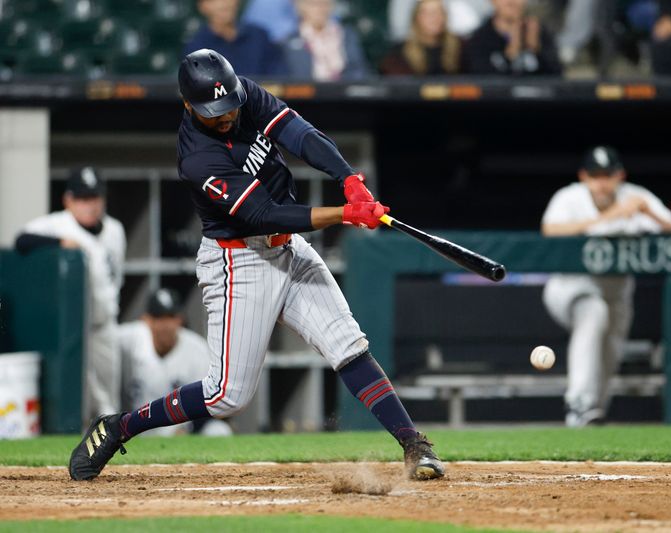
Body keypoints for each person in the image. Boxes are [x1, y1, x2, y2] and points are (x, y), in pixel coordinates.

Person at [68, 48, 444, 482]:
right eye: (214, 112)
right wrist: (344, 214)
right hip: (238, 260)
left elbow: (300, 134)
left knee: (348, 345)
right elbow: (265, 214)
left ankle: (415, 446)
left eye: (229, 106)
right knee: (227, 396)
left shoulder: (241, 93)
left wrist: (349, 180)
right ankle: (119, 427)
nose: (226, 116)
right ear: (188, 105)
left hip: (289, 250)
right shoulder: (197, 159)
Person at [540, 146, 671, 427]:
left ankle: (591, 413)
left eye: (608, 175)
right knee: (594, 314)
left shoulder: (636, 197)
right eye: (595, 175)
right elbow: (550, 230)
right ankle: (579, 404)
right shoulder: (570, 197)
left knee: (611, 352)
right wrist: (613, 215)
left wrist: (651, 215)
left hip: (617, 291)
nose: (602, 182)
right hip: (570, 286)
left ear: (620, 175)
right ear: (584, 176)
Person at [15, 167, 126, 426]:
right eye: (83, 199)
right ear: (68, 200)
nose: (90, 205)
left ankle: (113, 448)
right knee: (81, 400)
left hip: (105, 324)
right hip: (75, 329)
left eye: (94, 198)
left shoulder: (115, 230)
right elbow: (22, 240)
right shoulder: (57, 224)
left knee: (109, 400)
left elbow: (117, 276)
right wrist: (59, 243)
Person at [118, 289, 232, 437]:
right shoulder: (130, 340)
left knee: (219, 431)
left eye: (171, 317)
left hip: (181, 431)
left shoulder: (197, 349)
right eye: (159, 318)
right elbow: (99, 341)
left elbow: (209, 401)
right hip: (136, 430)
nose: (166, 325)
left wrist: (188, 427)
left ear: (180, 319)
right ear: (146, 320)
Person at [184, 0, 289, 76]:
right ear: (202, 7)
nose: (224, 4)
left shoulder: (260, 37)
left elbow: (279, 78)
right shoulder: (196, 47)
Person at [462, 0, 562, 76]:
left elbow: (558, 78)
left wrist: (535, 50)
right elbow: (482, 84)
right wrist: (511, 54)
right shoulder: (479, 40)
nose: (512, 2)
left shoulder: (539, 34)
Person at [281, 0, 371, 81]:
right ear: (301, 7)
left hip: (344, 94)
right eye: (314, 4)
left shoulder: (347, 35)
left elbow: (359, 69)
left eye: (325, 4)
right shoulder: (289, 42)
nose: (320, 9)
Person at [381, 0, 463, 76]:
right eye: (427, 13)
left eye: (439, 12)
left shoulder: (460, 48)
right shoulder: (400, 53)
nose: (434, 18)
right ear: (416, 17)